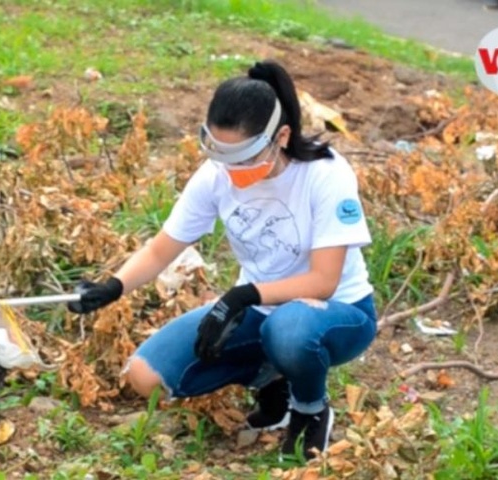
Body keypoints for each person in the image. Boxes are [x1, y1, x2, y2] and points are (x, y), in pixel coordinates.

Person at [68, 60, 377, 460]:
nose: (232, 171)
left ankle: (310, 408)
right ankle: (274, 379)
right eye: (223, 156)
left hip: (337, 313)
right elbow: (161, 249)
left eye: (245, 158)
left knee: (290, 330)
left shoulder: (324, 175)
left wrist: (242, 296)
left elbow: (324, 281)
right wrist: (113, 286)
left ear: (281, 137)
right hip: (261, 310)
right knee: (147, 377)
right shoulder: (216, 173)